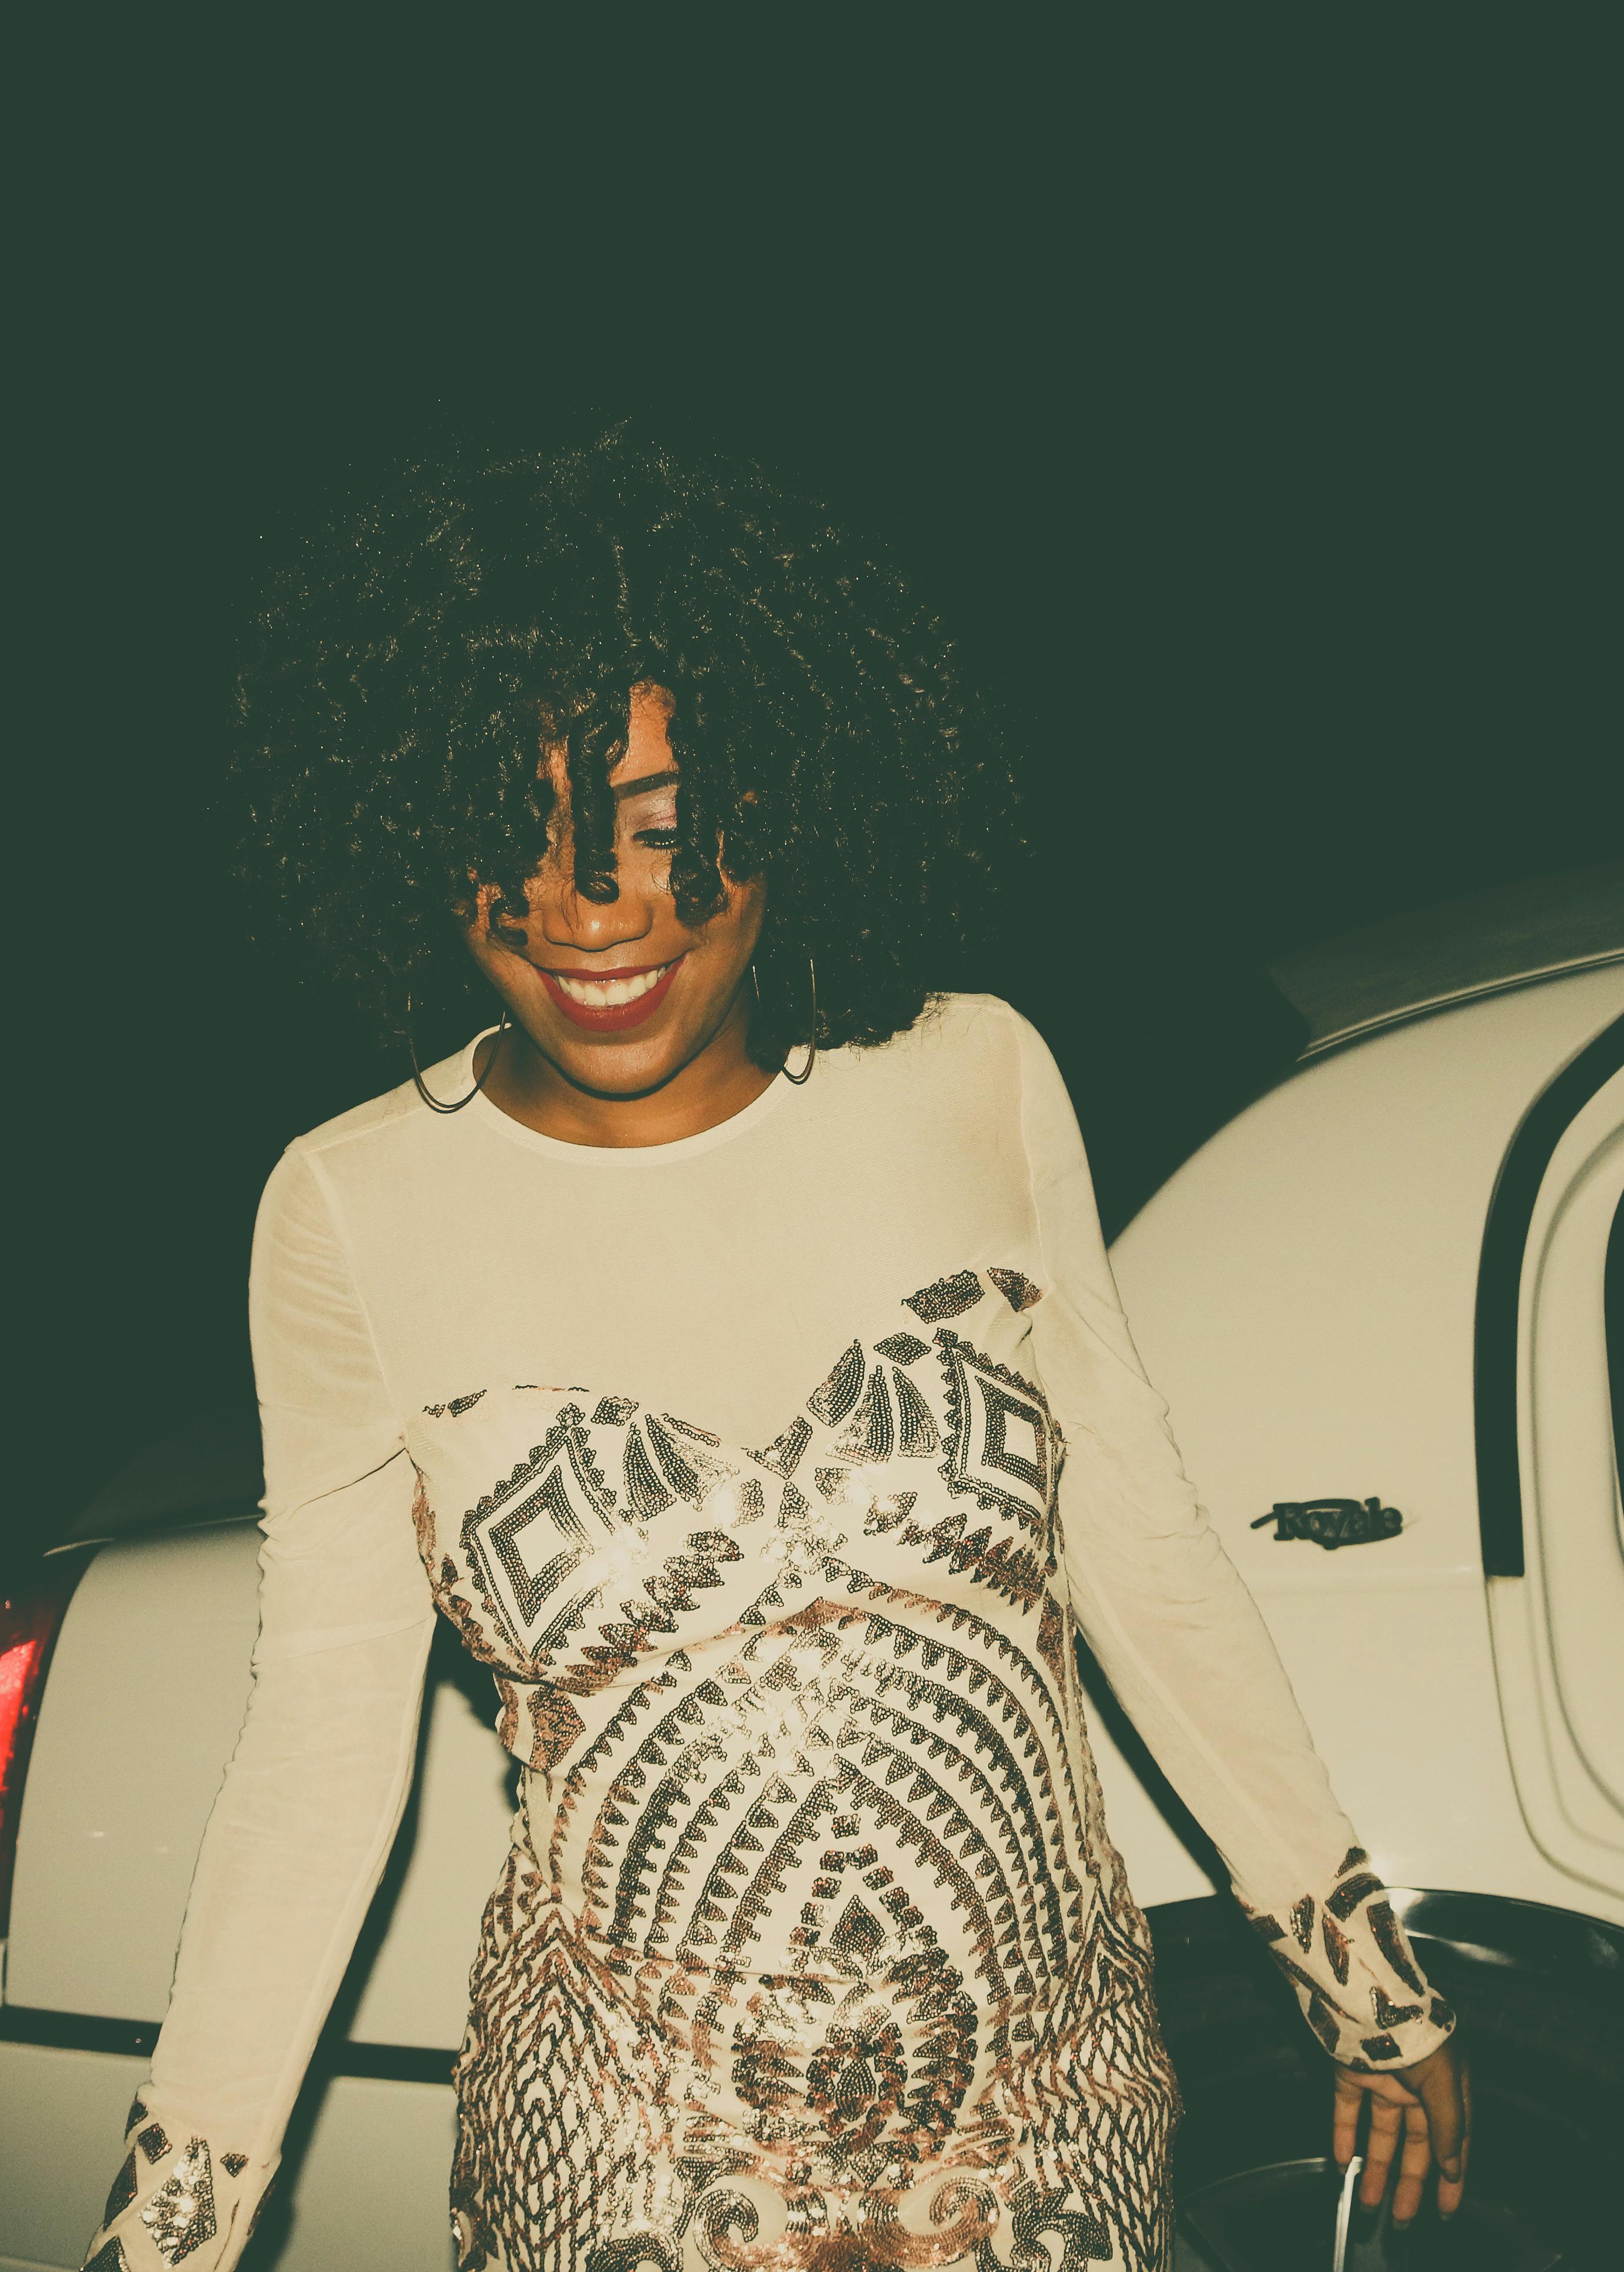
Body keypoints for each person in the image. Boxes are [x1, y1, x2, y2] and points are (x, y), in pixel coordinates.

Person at [86, 432, 1468, 2272]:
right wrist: (170, 2232)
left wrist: (1361, 1976)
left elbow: (1141, 1551)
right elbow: (321, 1756)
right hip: (633, 2170)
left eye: (664, 831)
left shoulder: (973, 1080)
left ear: (792, 807)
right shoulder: (349, 1205)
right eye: (521, 837)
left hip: (1042, 2129)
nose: (594, 912)